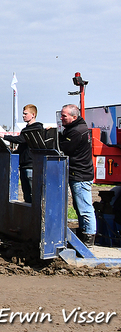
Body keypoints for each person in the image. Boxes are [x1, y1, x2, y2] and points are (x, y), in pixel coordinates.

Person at [59, 104, 96, 247]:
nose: (61, 118)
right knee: (79, 206)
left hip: (80, 174)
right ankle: (84, 232)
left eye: (64, 116)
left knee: (84, 206)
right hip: (79, 173)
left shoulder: (76, 132)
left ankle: (88, 237)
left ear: (74, 117)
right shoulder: (76, 129)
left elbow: (63, 148)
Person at [3, 104, 44, 203]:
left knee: (32, 192)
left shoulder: (36, 129)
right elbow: (21, 147)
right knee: (26, 193)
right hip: (24, 164)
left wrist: (4, 136)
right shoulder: (26, 129)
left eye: (26, 114)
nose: (23, 116)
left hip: (31, 165)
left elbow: (21, 140)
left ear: (33, 114)